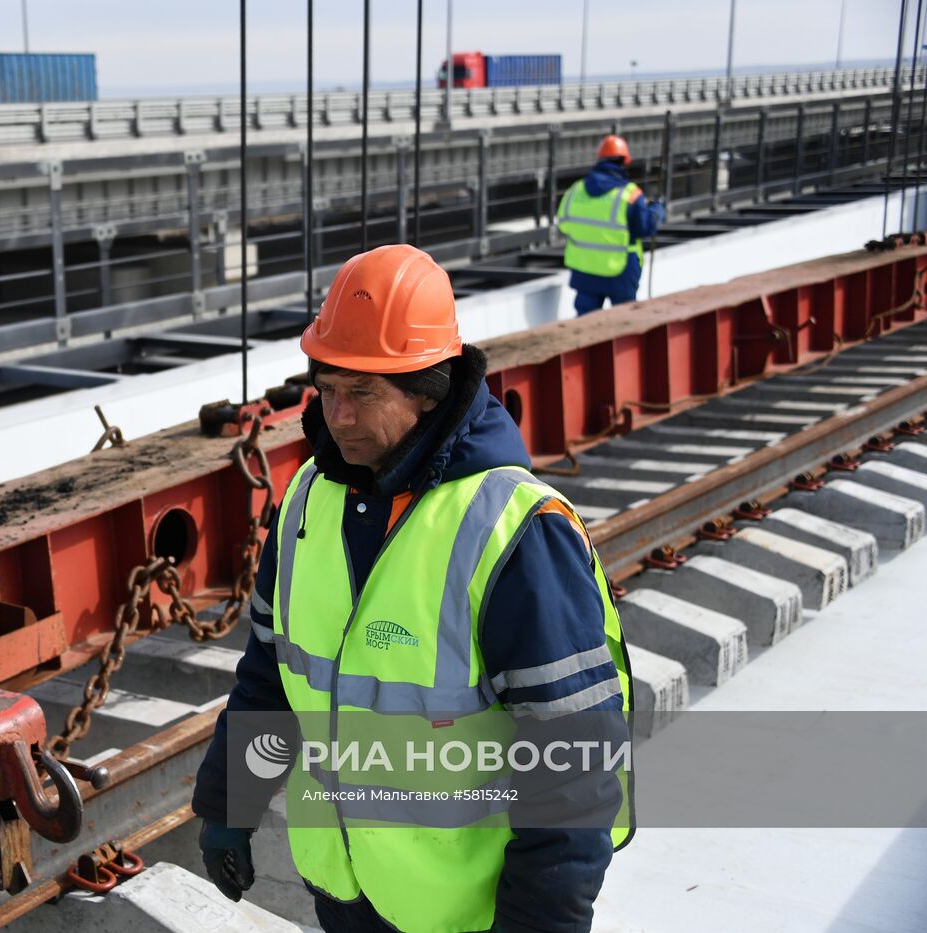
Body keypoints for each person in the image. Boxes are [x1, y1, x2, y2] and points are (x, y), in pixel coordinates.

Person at [192, 243, 633, 933]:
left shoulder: (515, 531)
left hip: (463, 912)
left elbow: (572, 769)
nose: (337, 417)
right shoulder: (309, 500)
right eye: (327, 388)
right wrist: (228, 804)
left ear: (427, 390)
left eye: (362, 393)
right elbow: (270, 674)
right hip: (345, 889)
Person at [558, 134, 666, 315]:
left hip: (585, 272)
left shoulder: (575, 190)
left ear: (599, 159)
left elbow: (563, 225)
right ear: (624, 162)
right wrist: (657, 209)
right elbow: (645, 227)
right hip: (620, 272)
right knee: (623, 324)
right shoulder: (629, 194)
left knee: (585, 326)